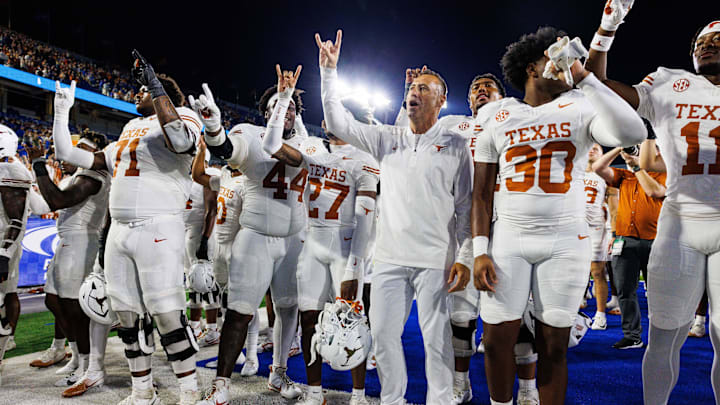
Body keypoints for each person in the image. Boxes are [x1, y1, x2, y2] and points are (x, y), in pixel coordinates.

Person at [470, 26, 646, 405]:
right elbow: (481, 194)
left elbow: (633, 129)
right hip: (509, 238)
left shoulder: (581, 105)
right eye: (555, 56)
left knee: (555, 347)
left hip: (566, 239)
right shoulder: (498, 113)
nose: (566, 62)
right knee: (497, 341)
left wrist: (584, 78)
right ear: (533, 67)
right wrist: (479, 250)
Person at [317, 30, 472, 404]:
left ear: (442, 99)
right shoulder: (389, 137)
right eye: (412, 87)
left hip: (436, 259)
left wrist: (465, 256)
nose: (414, 92)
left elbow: (466, 209)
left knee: (437, 343)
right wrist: (329, 73)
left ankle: (439, 399)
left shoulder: (456, 145)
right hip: (387, 259)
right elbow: (339, 124)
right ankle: (392, 399)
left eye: (424, 87)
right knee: (383, 338)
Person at [51, 49, 204, 404]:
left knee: (167, 314)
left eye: (143, 89)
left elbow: (180, 140)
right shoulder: (129, 128)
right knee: (127, 316)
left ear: (160, 92)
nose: (135, 93)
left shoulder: (184, 115)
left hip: (158, 225)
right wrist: (61, 113)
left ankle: (189, 391)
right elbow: (72, 155)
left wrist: (156, 84)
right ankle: (141, 391)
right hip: (119, 229)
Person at [584, 3, 720, 400]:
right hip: (678, 224)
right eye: (700, 42)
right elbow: (595, 85)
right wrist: (607, 27)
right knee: (664, 335)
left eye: (716, 40)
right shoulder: (669, 82)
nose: (706, 46)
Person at [261, 65, 380, 405]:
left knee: (352, 320)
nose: (329, 120)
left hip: (346, 246)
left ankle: (358, 393)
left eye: (337, 114)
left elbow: (365, 217)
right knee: (310, 319)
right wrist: (283, 99)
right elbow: (271, 144)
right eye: (327, 115)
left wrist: (356, 266)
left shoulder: (364, 158)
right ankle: (315, 391)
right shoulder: (313, 150)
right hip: (313, 244)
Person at [191, 74, 308, 403]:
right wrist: (214, 129)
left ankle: (278, 373)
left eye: (288, 108)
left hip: (294, 240)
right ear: (264, 112)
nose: (282, 111)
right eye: (275, 106)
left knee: (288, 310)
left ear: (296, 114)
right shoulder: (250, 133)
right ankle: (221, 383)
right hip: (255, 235)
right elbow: (227, 150)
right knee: (240, 311)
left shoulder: (308, 143)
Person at [26, 130, 111, 391]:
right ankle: (75, 357)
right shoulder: (75, 177)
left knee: (76, 308)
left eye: (76, 148)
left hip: (82, 243)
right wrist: (29, 181)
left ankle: (88, 365)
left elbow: (58, 200)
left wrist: (40, 164)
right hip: (66, 241)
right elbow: (43, 207)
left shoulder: (94, 176)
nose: (65, 154)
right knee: (53, 300)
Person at [592, 146, 665, 348]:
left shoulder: (665, 173)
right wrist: (619, 148)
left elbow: (654, 191)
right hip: (625, 240)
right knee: (625, 290)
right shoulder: (624, 175)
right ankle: (632, 336)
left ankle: (662, 338)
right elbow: (598, 167)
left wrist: (636, 168)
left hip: (656, 241)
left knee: (660, 293)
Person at [0, 124, 32, 386]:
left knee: (5, 296)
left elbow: (16, 220)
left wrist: (3, 253)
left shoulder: (10, 169)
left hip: (3, 245)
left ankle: (4, 342)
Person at [183, 153, 220, 343]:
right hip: (187, 232)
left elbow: (211, 209)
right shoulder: (183, 174)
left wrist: (205, 239)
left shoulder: (208, 173)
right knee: (193, 282)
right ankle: (196, 326)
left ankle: (212, 329)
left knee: (205, 281)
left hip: (200, 231)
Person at [584, 143, 613, 330]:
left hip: (596, 227)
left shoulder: (606, 175)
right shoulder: (572, 171)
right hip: (574, 226)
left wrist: (611, 231)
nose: (593, 149)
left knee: (597, 271)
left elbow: (614, 205)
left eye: (597, 148)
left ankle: (600, 314)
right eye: (590, 146)